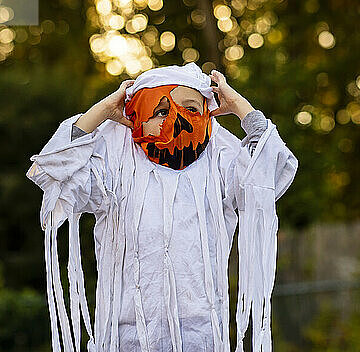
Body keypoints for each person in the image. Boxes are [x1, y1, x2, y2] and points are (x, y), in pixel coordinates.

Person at [26, 62, 299, 352]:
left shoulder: (221, 162)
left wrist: (241, 107)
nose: (177, 120)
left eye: (192, 109)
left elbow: (270, 170)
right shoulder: (115, 167)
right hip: (126, 337)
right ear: (139, 116)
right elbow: (55, 171)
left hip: (201, 336)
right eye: (160, 111)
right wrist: (102, 111)